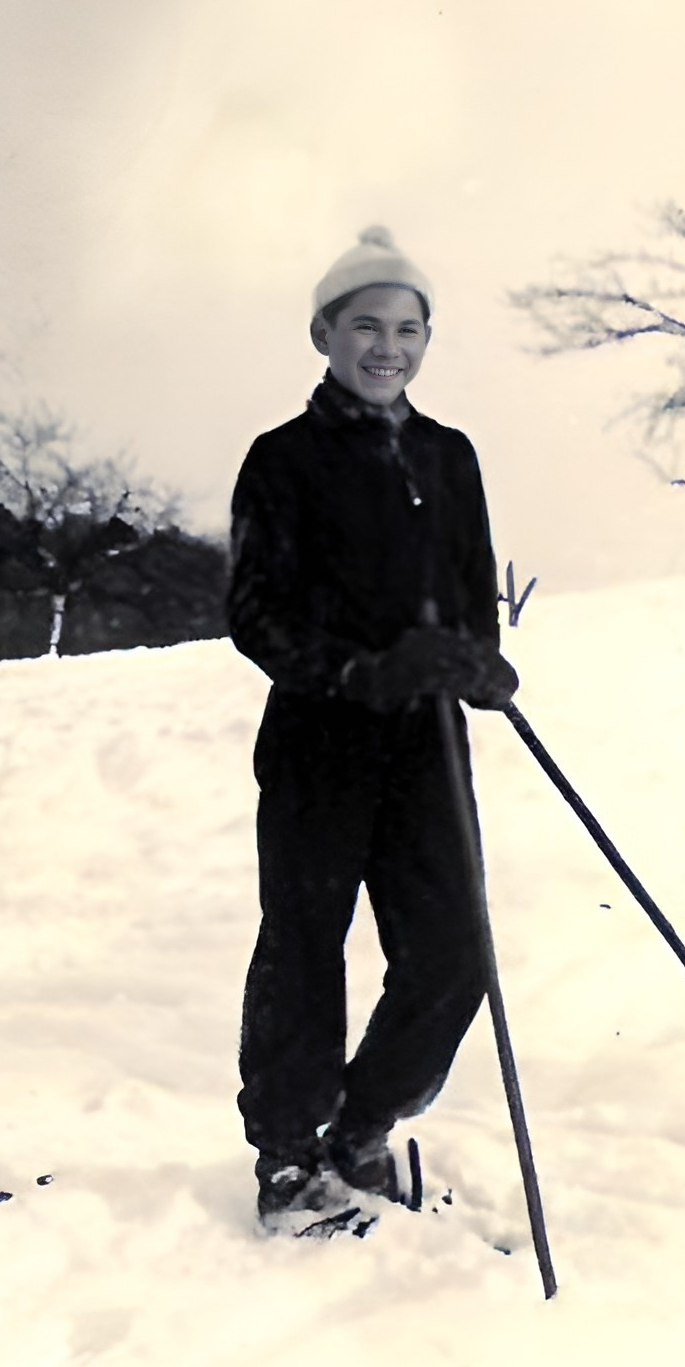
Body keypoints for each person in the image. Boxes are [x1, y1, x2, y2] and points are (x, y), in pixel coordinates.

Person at [226, 227, 519, 1235]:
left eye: (407, 329)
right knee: (306, 945)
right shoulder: (283, 459)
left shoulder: (450, 455)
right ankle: (287, 1154)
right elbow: (254, 614)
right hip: (319, 737)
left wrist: (476, 662)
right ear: (324, 333)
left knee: (452, 950)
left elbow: (475, 592)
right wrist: (359, 669)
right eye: (365, 327)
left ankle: (361, 1124)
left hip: (425, 744)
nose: (387, 347)